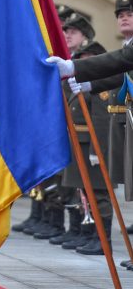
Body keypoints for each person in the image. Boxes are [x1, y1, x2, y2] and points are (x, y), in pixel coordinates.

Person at [61, 41, 113, 255]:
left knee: (99, 194)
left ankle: (103, 239)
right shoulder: (80, 84)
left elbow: (100, 120)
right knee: (84, 194)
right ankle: (90, 234)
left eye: (90, 60)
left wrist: (96, 150)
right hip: (78, 143)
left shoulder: (101, 86)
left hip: (91, 144)